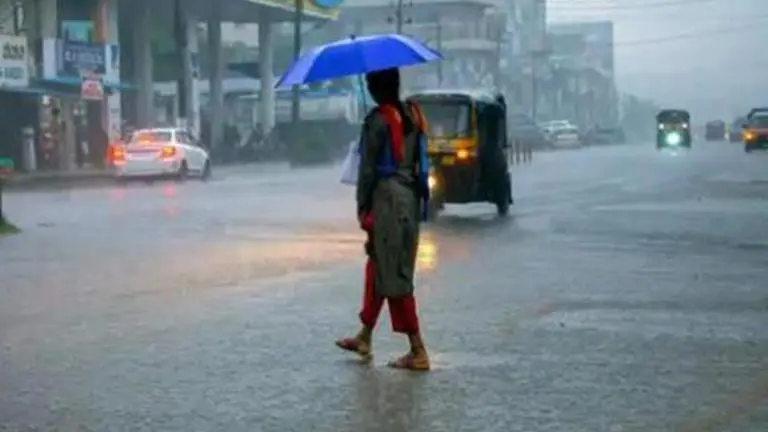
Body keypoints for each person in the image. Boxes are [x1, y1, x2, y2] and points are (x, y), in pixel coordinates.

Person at [335, 68, 431, 371]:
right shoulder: (414, 114)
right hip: (409, 199)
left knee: (395, 274)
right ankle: (364, 335)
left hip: (387, 201)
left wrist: (363, 208)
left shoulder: (377, 121)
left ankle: (418, 349)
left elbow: (367, 171)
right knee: (379, 266)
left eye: (368, 83)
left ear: (376, 88)